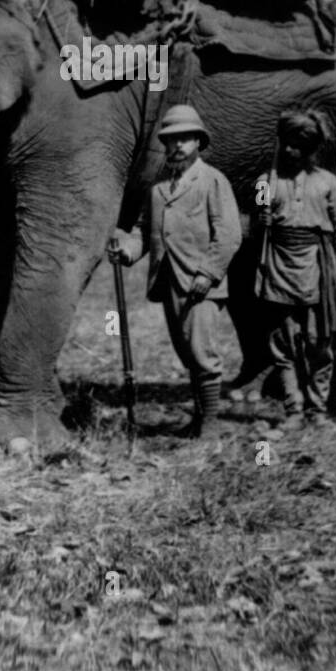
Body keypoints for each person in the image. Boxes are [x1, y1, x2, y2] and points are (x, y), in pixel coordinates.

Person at [109, 104, 242, 438]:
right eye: (172, 139)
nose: (178, 145)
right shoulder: (158, 187)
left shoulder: (213, 181)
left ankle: (210, 423)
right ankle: (199, 417)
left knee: (202, 352)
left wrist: (208, 274)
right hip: (169, 280)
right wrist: (128, 250)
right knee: (186, 352)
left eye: (186, 138)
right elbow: (143, 230)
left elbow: (228, 234)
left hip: (201, 283)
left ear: (199, 141)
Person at [253, 110, 336, 429]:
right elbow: (256, 227)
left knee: (318, 342)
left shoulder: (327, 183)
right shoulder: (265, 182)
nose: (289, 151)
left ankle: (317, 408)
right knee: (284, 342)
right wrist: (261, 220)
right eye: (286, 144)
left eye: (298, 146)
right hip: (280, 268)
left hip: (318, 268)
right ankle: (294, 408)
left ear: (310, 149)